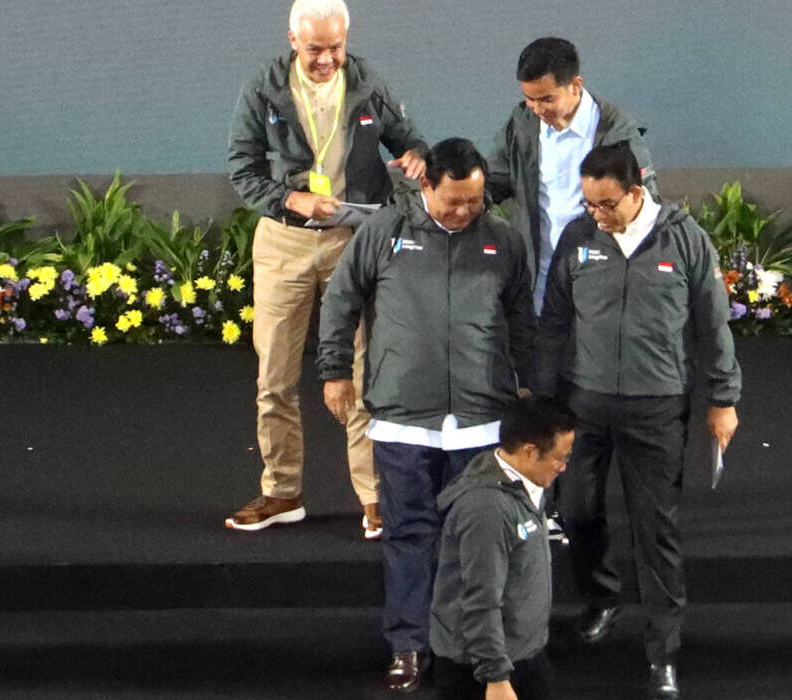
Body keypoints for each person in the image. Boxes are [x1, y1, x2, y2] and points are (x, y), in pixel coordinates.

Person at [317, 138, 535, 693]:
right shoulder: (384, 233)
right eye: (453, 201)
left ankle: (468, 646)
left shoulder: (503, 241)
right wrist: (336, 371)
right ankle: (409, 645)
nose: (465, 211)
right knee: (409, 534)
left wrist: (531, 388)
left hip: (482, 419)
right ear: (426, 186)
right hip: (401, 418)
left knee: (473, 539)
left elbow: (523, 323)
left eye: (475, 201)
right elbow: (341, 300)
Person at [533, 143, 741, 700]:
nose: (595, 215)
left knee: (656, 530)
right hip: (584, 404)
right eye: (588, 204)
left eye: (606, 205)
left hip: (656, 406)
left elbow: (713, 326)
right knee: (576, 511)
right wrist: (545, 399)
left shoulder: (685, 241)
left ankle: (663, 652)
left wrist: (723, 399)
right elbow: (554, 323)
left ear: (636, 192)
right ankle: (602, 596)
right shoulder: (578, 238)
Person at [225, 0, 427, 537]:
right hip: (285, 243)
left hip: (355, 243)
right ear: (293, 40)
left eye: (335, 47)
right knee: (275, 377)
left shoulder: (366, 82)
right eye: (315, 49)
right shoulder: (261, 88)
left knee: (364, 372)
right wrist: (291, 201)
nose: (327, 59)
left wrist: (416, 158)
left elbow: (411, 141)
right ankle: (281, 492)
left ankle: (374, 498)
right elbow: (242, 170)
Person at [486, 37, 659, 315]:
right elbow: (494, 180)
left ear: (576, 85)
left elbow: (648, 208)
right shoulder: (521, 125)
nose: (538, 109)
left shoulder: (618, 132)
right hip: (537, 284)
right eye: (530, 99)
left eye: (547, 99)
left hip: (601, 281)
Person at [429, 396, 576, 700]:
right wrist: (495, 677)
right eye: (560, 458)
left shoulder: (522, 484)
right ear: (529, 452)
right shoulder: (488, 510)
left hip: (522, 655)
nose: (564, 467)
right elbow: (480, 598)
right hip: (480, 671)